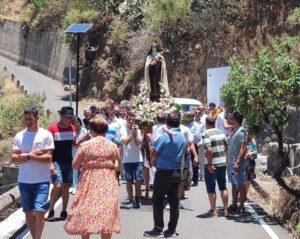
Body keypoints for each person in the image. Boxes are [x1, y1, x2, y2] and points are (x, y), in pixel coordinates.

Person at [64, 117, 120, 239]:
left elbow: (75, 165)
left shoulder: (85, 145)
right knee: (106, 212)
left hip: (89, 180)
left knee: (86, 211)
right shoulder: (113, 146)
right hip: (107, 181)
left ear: (92, 130)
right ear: (105, 130)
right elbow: (118, 165)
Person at [11, 107, 54, 239]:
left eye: (30, 119)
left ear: (37, 118)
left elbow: (48, 158)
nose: (28, 121)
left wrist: (27, 156)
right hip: (24, 181)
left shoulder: (46, 135)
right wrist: (32, 154)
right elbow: (14, 159)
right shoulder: (19, 136)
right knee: (29, 214)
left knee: (40, 212)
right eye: (26, 119)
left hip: (42, 180)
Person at [144, 110, 187, 238]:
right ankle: (172, 229)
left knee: (158, 200)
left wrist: (151, 156)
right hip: (176, 172)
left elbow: (154, 153)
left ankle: (158, 229)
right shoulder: (182, 137)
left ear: (167, 123)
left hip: (164, 172)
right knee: (174, 202)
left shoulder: (164, 137)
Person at [47, 106, 77, 221]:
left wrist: (82, 140)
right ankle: (51, 209)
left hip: (68, 161)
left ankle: (64, 211)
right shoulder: (52, 129)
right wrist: (50, 164)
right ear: (62, 117)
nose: (70, 120)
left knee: (66, 186)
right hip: (56, 161)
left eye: (71, 118)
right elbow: (49, 149)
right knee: (57, 185)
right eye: (68, 118)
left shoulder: (73, 128)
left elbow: (74, 144)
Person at [202, 116, 229, 217]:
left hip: (212, 164)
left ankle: (213, 211)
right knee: (223, 186)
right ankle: (226, 209)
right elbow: (226, 147)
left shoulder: (206, 134)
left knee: (211, 188)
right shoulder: (221, 133)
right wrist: (226, 160)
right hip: (222, 162)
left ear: (206, 123)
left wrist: (209, 164)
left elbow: (209, 150)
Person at [120, 111, 143, 208]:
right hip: (127, 159)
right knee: (129, 181)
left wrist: (136, 133)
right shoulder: (122, 129)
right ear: (126, 119)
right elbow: (125, 142)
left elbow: (138, 143)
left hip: (138, 159)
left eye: (133, 119)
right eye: (129, 119)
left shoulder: (138, 130)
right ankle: (130, 199)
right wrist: (132, 134)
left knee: (138, 180)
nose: (131, 121)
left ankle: (137, 198)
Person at [228, 111, 248, 214]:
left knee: (240, 184)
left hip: (237, 162)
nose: (230, 120)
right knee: (234, 183)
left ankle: (242, 206)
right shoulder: (235, 130)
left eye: (231, 119)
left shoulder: (242, 131)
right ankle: (234, 204)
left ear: (235, 120)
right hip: (231, 162)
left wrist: (238, 161)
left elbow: (243, 147)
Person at [71, 116, 88, 195]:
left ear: (80, 123)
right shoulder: (71, 131)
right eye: (74, 123)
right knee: (75, 170)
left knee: (83, 169)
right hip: (74, 152)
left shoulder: (84, 131)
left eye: (77, 122)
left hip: (83, 151)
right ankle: (75, 186)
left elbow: (87, 140)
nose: (76, 124)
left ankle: (83, 186)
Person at [185, 111, 201, 186]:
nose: (188, 117)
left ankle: (195, 179)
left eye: (189, 116)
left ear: (192, 117)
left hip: (193, 144)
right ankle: (188, 178)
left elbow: (196, 135)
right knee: (187, 162)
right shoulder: (185, 124)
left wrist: (189, 136)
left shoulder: (196, 125)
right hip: (186, 145)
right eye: (187, 116)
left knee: (194, 161)